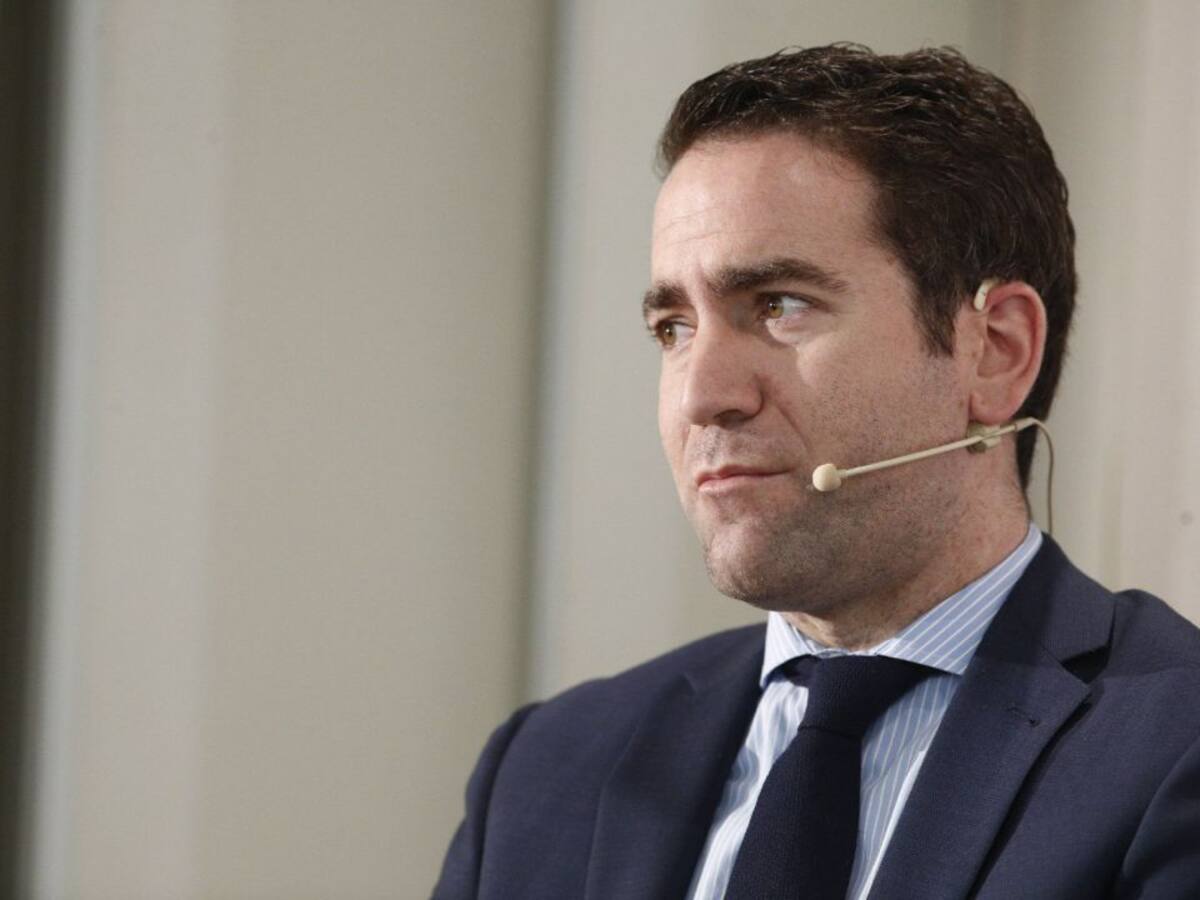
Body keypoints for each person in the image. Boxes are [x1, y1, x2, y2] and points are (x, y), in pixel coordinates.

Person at [433, 44, 1200, 899]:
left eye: (779, 306)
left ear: (996, 351)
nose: (701, 396)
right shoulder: (544, 771)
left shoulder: (1173, 750)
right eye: (673, 328)